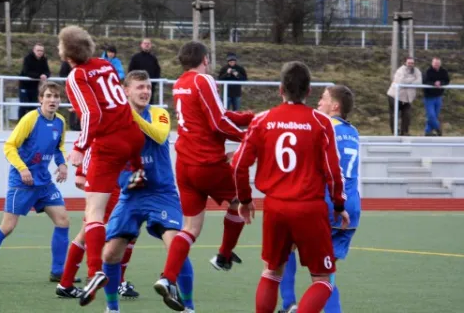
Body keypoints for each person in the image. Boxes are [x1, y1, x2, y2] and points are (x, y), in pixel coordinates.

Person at [232, 61, 349, 313]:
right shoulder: (321, 122)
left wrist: (244, 199)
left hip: (275, 208)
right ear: (308, 92)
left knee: (272, 272)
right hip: (310, 208)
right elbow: (333, 172)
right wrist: (339, 205)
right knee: (322, 280)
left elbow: (239, 164)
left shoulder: (262, 120)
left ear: (280, 89)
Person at [154, 41, 254, 311]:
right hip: (207, 162)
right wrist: (249, 137)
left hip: (184, 165)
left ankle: (168, 278)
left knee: (189, 229)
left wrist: (247, 117)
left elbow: (213, 115)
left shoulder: (180, 84)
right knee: (239, 200)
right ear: (205, 59)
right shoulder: (204, 80)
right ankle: (223, 255)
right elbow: (218, 122)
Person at [58, 25, 145, 306]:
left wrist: (79, 148)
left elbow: (92, 114)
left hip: (109, 145)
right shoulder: (105, 65)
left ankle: (96, 271)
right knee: (123, 215)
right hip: (132, 136)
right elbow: (108, 102)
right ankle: (71, 281)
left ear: (66, 53)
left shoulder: (76, 75)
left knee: (93, 214)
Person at [102, 70, 195, 313]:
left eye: (148, 87)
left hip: (162, 193)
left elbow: (159, 134)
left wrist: (129, 116)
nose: (145, 92)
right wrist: (126, 180)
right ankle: (112, 308)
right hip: (132, 196)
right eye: (140, 87)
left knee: (176, 247)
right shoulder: (115, 123)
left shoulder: (159, 114)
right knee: (110, 254)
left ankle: (189, 307)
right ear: (126, 91)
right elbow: (115, 162)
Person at [0, 81, 70, 284]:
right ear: (40, 99)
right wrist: (22, 169)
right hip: (22, 183)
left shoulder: (60, 122)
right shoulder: (30, 119)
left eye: (56, 97)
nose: (52, 100)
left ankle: (58, 272)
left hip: (44, 183)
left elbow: (58, 147)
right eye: (48, 96)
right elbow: (9, 147)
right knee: (7, 227)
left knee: (63, 221)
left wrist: (62, 163)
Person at [279, 85, 361, 313]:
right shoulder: (353, 132)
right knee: (327, 273)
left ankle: (289, 304)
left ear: (335, 106)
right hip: (351, 209)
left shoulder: (323, 127)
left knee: (284, 245)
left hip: (328, 205)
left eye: (323, 99)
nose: (318, 102)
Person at [55, 159, 137, 300]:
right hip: (111, 180)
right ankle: (114, 280)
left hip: (113, 177)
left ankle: (66, 283)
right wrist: (81, 171)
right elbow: (91, 139)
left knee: (87, 231)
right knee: (125, 232)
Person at [386, 57, 422, 136]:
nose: (410, 65)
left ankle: (404, 132)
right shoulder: (400, 70)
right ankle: (394, 132)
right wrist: (412, 79)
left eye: (412, 63)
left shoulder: (417, 71)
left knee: (407, 115)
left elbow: (419, 82)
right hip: (395, 96)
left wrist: (408, 81)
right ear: (405, 63)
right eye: (409, 63)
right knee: (394, 115)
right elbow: (400, 82)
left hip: (408, 98)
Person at [18, 43, 50, 120]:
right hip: (24, 85)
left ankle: (32, 122)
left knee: (33, 106)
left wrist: (45, 75)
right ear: (34, 50)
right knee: (24, 105)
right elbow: (26, 72)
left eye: (41, 51)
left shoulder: (43, 59)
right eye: (38, 50)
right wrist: (39, 76)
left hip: (35, 86)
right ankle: (20, 122)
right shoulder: (28, 58)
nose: (40, 52)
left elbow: (47, 71)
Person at [128, 38, 161, 104]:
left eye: (148, 44)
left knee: (149, 104)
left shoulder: (153, 58)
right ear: (141, 45)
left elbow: (157, 71)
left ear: (151, 45)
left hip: (150, 86)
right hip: (138, 86)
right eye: (145, 43)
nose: (147, 45)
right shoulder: (135, 58)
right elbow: (130, 71)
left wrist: (154, 84)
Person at [423, 57, 450, 136]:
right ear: (432, 63)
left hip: (439, 96)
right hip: (429, 97)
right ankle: (438, 128)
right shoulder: (427, 71)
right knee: (431, 115)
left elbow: (447, 81)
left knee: (435, 115)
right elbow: (425, 81)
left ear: (440, 64)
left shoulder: (443, 71)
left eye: (438, 63)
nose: (436, 65)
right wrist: (434, 83)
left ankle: (427, 131)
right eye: (435, 63)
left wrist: (440, 83)